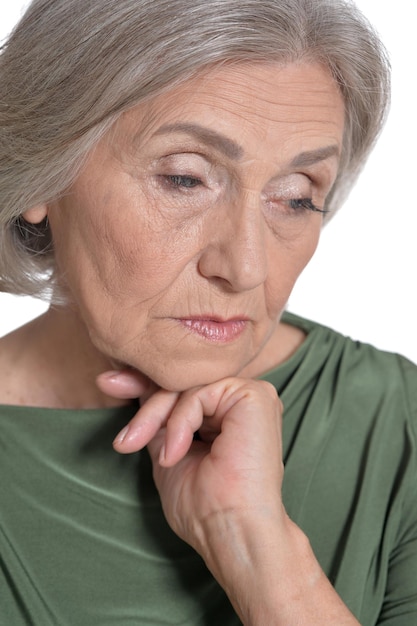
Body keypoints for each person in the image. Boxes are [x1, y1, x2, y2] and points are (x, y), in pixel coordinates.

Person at [0, 0, 415, 624]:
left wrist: (262, 554)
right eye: (185, 180)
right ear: (40, 178)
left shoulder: (396, 421)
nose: (246, 267)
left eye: (297, 198)